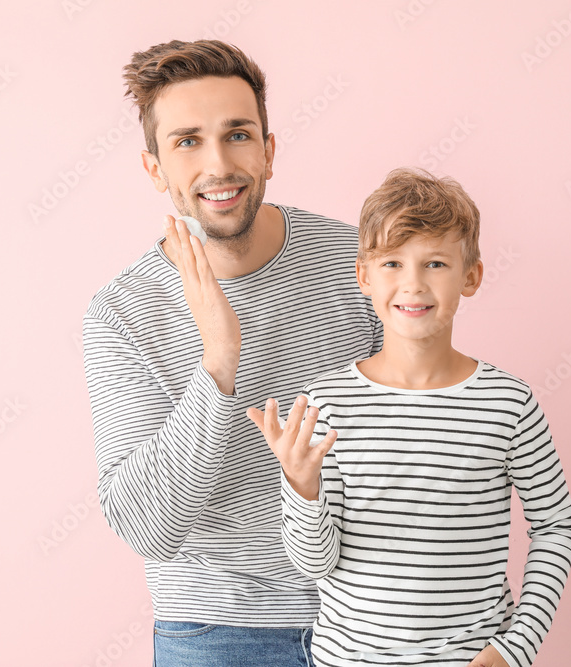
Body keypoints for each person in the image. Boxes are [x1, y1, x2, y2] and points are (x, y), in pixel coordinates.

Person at [82, 40, 382, 666]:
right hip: (218, 632)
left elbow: (418, 439)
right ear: (155, 169)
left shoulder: (359, 266)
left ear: (268, 150)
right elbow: (146, 527)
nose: (218, 164)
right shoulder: (123, 313)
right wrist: (219, 360)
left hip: (376, 617)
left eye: (237, 134)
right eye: (187, 141)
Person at [247, 168, 571, 667]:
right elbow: (314, 563)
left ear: (471, 276)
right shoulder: (325, 403)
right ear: (364, 275)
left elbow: (556, 527)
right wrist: (301, 485)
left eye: (436, 263)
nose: (413, 284)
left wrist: (515, 648)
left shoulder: (509, 404)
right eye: (392, 263)